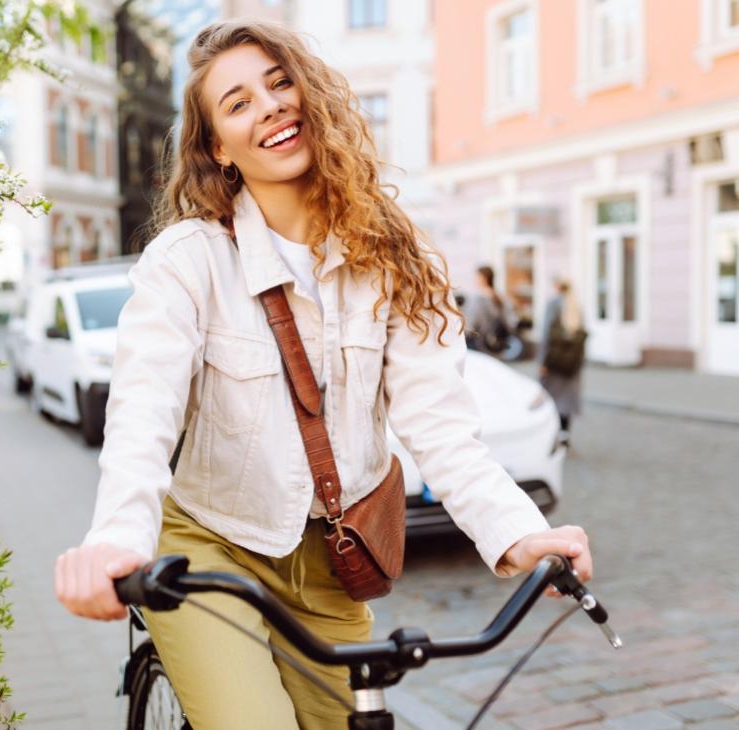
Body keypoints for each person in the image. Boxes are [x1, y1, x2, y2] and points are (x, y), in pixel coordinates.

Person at [54, 21, 593, 730]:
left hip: (333, 559)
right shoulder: (188, 261)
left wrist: (521, 535)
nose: (270, 106)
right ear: (219, 147)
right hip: (208, 545)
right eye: (238, 102)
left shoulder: (403, 259)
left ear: (313, 98)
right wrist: (118, 539)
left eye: (280, 84)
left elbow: (443, 431)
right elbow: (142, 412)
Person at [538, 279, 587, 445]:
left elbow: (546, 334)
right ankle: (565, 435)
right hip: (572, 363)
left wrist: (543, 362)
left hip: (554, 362)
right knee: (567, 399)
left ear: (557, 287)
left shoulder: (553, 304)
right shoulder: (576, 306)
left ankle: (552, 433)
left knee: (551, 397)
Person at [463, 265, 515, 356]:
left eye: (477, 277)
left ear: (483, 278)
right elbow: (510, 320)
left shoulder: (477, 299)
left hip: (477, 343)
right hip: (495, 343)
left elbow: (470, 324)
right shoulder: (500, 298)